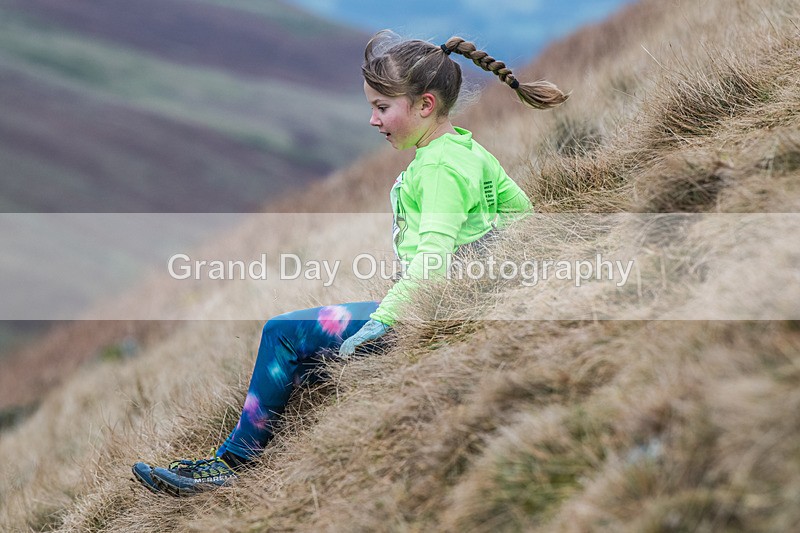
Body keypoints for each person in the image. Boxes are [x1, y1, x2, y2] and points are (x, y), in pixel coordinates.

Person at [132, 31, 567, 496]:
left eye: (382, 107)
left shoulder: (439, 169)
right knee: (311, 351)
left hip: (427, 315)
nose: (373, 119)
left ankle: (230, 466)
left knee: (282, 332)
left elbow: (433, 261)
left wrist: (385, 320)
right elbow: (523, 218)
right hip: (454, 306)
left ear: (424, 105)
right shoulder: (464, 151)